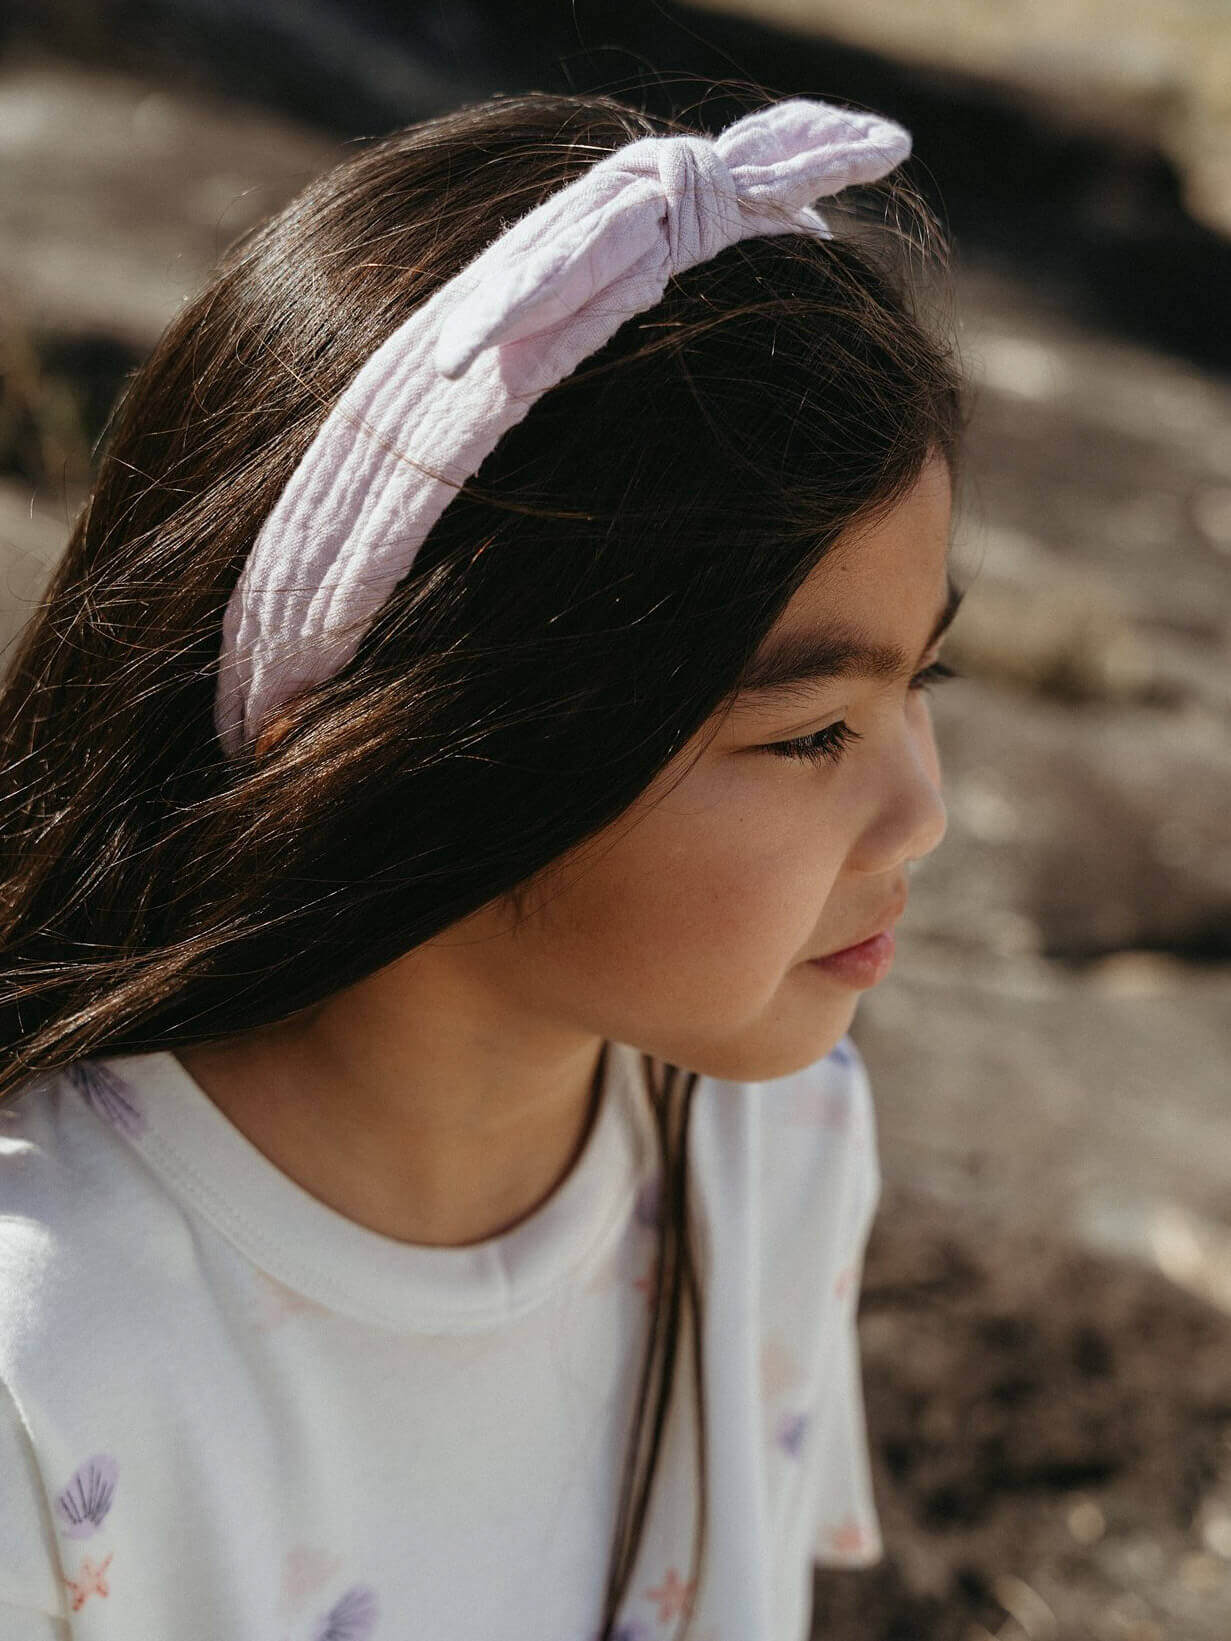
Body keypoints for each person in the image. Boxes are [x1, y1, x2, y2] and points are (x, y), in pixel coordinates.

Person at [0, 86, 967, 1640]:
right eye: (810, 733)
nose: (926, 810)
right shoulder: (45, 1349)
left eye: (927, 683)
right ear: (432, 739)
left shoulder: (774, 1148)